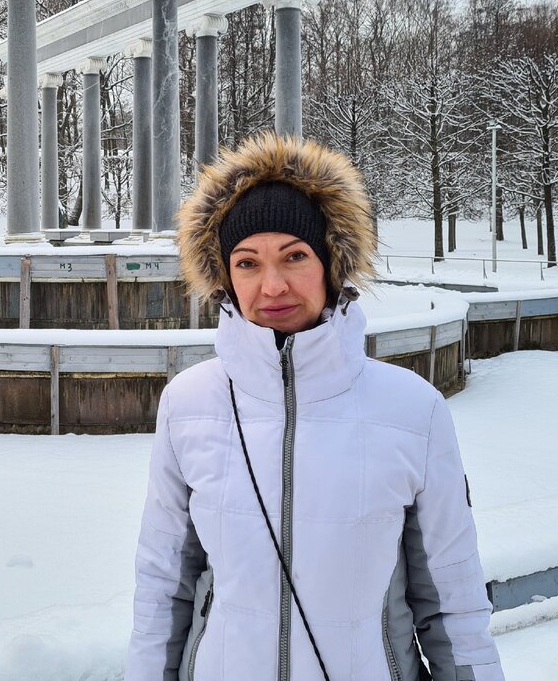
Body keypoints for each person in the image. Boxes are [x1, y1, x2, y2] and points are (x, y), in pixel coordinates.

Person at [126, 133, 503, 681]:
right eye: (247, 262)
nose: (272, 285)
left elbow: (452, 600)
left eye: (295, 256)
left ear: (331, 263)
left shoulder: (413, 410)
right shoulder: (188, 404)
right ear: (225, 277)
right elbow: (164, 587)